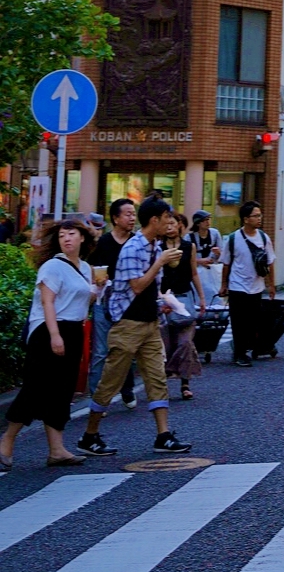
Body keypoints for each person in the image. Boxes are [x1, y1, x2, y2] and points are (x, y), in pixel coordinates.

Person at [78, 196, 192, 456]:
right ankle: (89, 436)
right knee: (110, 381)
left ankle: (163, 435)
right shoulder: (133, 248)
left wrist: (164, 302)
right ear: (154, 220)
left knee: (157, 378)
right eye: (167, 218)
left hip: (150, 322)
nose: (170, 223)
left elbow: (151, 287)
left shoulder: (155, 246)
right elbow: (137, 286)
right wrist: (160, 262)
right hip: (127, 324)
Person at [0, 218, 100, 468]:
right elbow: (47, 303)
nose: (66, 239)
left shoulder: (87, 268)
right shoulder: (53, 266)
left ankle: (57, 450)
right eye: (62, 235)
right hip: (48, 329)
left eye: (71, 234)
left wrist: (97, 290)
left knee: (62, 390)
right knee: (36, 388)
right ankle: (6, 442)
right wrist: (55, 335)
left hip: (74, 329)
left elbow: (82, 305)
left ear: (82, 238)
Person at [88, 197, 139, 411]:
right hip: (105, 301)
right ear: (116, 218)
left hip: (130, 304)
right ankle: (97, 397)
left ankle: (127, 390)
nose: (132, 218)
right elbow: (90, 268)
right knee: (101, 351)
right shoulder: (103, 243)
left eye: (133, 214)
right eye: (127, 214)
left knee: (126, 349)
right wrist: (96, 278)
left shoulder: (137, 242)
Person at [219, 201, 276, 366]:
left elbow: (271, 262)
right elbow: (226, 264)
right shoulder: (233, 239)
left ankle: (242, 347)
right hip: (237, 286)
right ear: (245, 219)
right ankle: (240, 353)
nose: (259, 218)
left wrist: (271, 285)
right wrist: (224, 285)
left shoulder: (264, 238)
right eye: (255, 216)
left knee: (252, 322)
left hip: (256, 286)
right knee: (238, 321)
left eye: (260, 215)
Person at [159, 212, 205, 399]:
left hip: (184, 298)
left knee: (185, 342)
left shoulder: (189, 247)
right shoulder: (157, 247)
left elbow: (194, 273)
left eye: (173, 223)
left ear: (180, 225)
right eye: (166, 224)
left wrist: (202, 297)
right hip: (163, 299)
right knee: (166, 344)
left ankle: (185, 383)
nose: (169, 227)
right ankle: (163, 380)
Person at [191, 212, 223, 308]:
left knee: (215, 299)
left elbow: (223, 256)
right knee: (198, 298)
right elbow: (185, 258)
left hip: (213, 273)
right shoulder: (190, 238)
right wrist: (199, 261)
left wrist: (218, 253)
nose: (207, 222)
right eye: (204, 220)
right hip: (198, 273)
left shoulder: (215, 233)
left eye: (208, 219)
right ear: (198, 223)